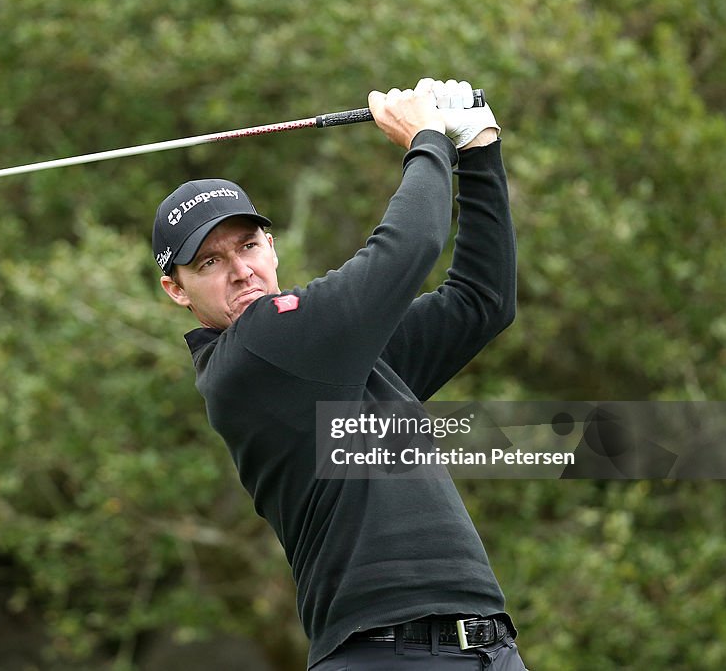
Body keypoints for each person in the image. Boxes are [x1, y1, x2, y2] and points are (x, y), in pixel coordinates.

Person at [151, 78, 527, 670]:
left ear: (271, 246)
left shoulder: (338, 358)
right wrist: (426, 139)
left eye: (248, 246)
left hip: (486, 648)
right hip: (382, 656)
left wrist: (478, 147)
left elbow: (483, 302)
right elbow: (408, 247)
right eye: (210, 262)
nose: (241, 271)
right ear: (176, 290)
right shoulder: (255, 351)